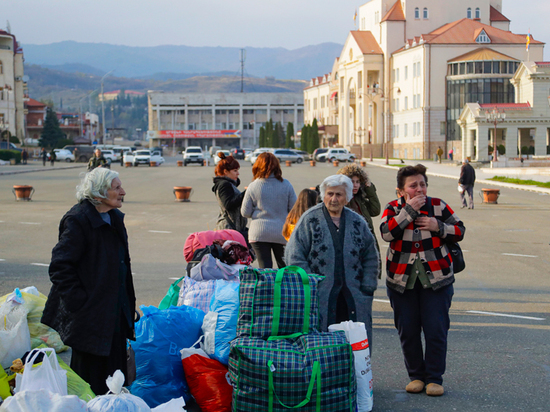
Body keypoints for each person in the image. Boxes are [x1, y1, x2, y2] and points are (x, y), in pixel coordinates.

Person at [41, 168, 136, 395]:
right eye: (116, 188)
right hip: (90, 319)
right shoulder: (78, 220)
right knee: (89, 382)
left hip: (114, 314)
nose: (123, 191)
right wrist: (81, 305)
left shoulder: (114, 218)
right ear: (100, 192)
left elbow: (121, 265)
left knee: (115, 378)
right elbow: (60, 267)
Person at [380, 164, 465, 397]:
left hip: (437, 280)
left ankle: (435, 378)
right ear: (401, 191)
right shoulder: (392, 208)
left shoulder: (438, 206)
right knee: (408, 331)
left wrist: (439, 226)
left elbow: (460, 231)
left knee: (436, 330)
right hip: (401, 281)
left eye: (422, 184)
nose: (419, 189)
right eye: (413, 185)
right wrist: (408, 212)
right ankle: (416, 376)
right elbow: (386, 233)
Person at [285, 175, 379, 346]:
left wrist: (368, 286)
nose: (333, 199)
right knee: (322, 346)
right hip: (320, 296)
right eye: (330, 194)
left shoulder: (357, 222)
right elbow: (294, 255)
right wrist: (312, 283)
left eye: (339, 195)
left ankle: (353, 373)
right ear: (323, 195)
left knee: (355, 346)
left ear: (347, 197)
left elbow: (370, 255)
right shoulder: (310, 219)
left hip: (354, 296)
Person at [241, 152, 296, 268]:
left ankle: (266, 286)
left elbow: (245, 212)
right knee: (284, 267)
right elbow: (294, 209)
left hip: (258, 233)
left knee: (264, 267)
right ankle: (284, 286)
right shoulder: (286, 185)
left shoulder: (253, 186)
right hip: (281, 232)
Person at [337, 163, 382, 277]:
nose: (355, 185)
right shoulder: (341, 201)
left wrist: (369, 189)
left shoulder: (360, 199)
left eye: (358, 182)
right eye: (352, 182)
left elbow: (375, 210)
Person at [212, 152, 248, 241]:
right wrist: (246, 194)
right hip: (228, 228)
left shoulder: (228, 184)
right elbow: (227, 204)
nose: (238, 173)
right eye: (235, 171)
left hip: (233, 227)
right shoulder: (224, 185)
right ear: (225, 172)